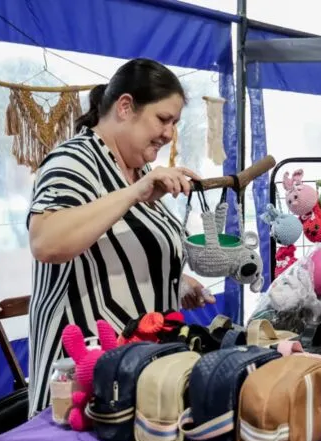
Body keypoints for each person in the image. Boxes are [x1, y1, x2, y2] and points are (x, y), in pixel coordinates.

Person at [27, 58, 214, 416]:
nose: (169, 134)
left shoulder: (135, 169)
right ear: (125, 107)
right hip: (86, 376)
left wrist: (175, 281)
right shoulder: (73, 162)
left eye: (175, 123)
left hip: (138, 368)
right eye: (163, 119)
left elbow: (117, 250)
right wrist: (133, 193)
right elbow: (46, 243)